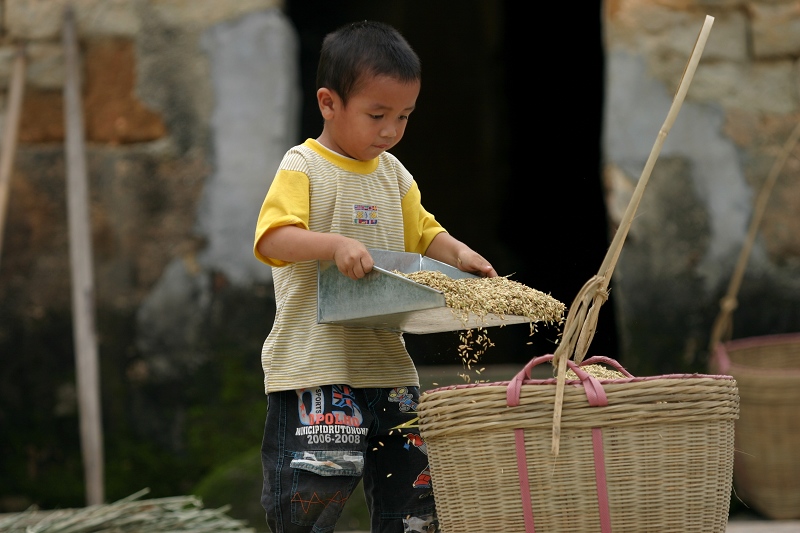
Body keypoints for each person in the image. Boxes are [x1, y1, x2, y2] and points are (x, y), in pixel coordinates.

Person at [253, 20, 497, 533]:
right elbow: (273, 238)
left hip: (388, 371)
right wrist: (335, 245)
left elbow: (425, 233)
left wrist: (460, 255)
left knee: (413, 505)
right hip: (318, 371)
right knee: (311, 502)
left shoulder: (395, 174)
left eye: (404, 117)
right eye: (377, 115)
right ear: (328, 103)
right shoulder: (303, 167)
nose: (390, 131)